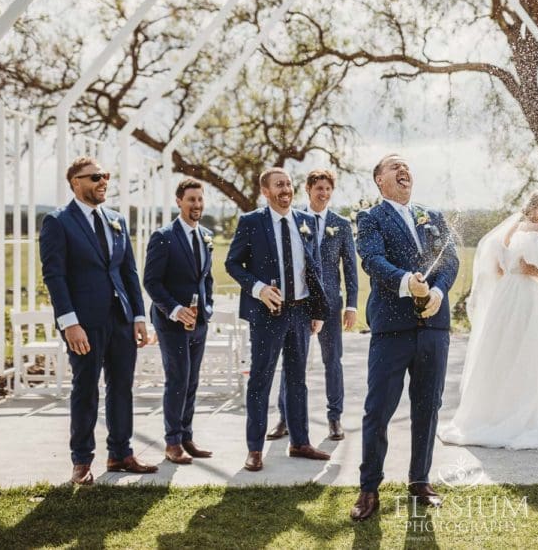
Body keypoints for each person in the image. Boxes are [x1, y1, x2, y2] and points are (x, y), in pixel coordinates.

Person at [350, 155, 460, 522]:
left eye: (407, 167)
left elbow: (450, 261)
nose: (404, 171)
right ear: (379, 180)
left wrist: (439, 293)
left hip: (434, 327)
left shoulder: (433, 215)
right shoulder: (370, 219)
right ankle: (369, 488)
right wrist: (406, 283)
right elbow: (372, 260)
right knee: (378, 409)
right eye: (394, 167)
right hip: (391, 329)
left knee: (428, 406)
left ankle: (420, 480)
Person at [39, 156, 157, 485]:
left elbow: (128, 271)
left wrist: (138, 315)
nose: (102, 181)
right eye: (94, 177)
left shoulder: (117, 219)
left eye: (105, 176)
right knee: (86, 388)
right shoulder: (58, 222)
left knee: (122, 387)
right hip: (84, 322)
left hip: (120, 318)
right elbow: (54, 276)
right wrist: (69, 323)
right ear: (75, 182)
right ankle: (81, 460)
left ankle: (120, 452)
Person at [439, 189, 538, 448]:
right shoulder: (532, 230)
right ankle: (524, 414)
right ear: (533, 207)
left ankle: (496, 410)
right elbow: (526, 268)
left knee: (504, 348)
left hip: (506, 294)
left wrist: (515, 277)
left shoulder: (511, 229)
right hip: (525, 294)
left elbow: (499, 267)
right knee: (531, 349)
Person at [225, 167, 330, 471]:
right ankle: (255, 449)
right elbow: (232, 263)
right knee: (261, 380)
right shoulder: (252, 222)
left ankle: (300, 442)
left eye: (288, 184)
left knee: (297, 381)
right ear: (266, 192)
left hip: (300, 312)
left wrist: (317, 311)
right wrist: (258, 289)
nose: (286, 189)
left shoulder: (305, 221)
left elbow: (315, 268)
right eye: (278, 185)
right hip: (267, 313)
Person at [270, 169, 357, 442]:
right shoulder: (293, 219)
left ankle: (334, 418)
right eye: (319, 188)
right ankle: (284, 417)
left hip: (331, 304)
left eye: (328, 189)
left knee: (333, 360)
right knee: (292, 362)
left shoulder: (341, 224)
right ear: (308, 189)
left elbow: (351, 268)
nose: (324, 193)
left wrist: (352, 305)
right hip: (299, 303)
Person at [143, 178, 216, 464]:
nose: (196, 205)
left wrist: (206, 309)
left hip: (199, 323)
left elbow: (206, 280)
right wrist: (175, 310)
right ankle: (172, 442)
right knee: (178, 379)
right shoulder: (163, 236)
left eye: (200, 199)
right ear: (179, 202)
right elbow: (151, 281)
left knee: (192, 380)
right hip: (171, 322)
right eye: (191, 200)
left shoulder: (206, 236)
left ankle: (187, 436)